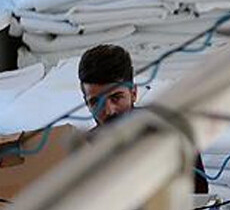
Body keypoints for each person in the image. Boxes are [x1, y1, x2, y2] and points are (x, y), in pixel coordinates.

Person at [78, 44, 211, 194]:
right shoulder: (82, 152)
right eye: (96, 102)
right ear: (86, 103)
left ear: (133, 93)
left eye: (116, 98)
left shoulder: (171, 131)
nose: (109, 110)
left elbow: (198, 201)